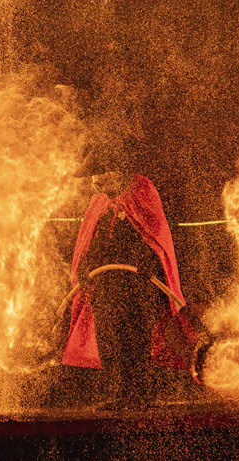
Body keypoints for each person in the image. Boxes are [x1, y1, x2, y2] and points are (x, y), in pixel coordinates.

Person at [61, 143, 203, 409]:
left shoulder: (141, 190)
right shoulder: (100, 201)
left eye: (100, 174)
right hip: (105, 284)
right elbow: (93, 240)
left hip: (139, 284)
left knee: (134, 337)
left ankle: (138, 395)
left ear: (115, 171)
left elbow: (153, 234)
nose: (95, 181)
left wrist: (145, 264)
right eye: (93, 176)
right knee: (109, 337)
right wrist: (85, 269)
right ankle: (117, 393)